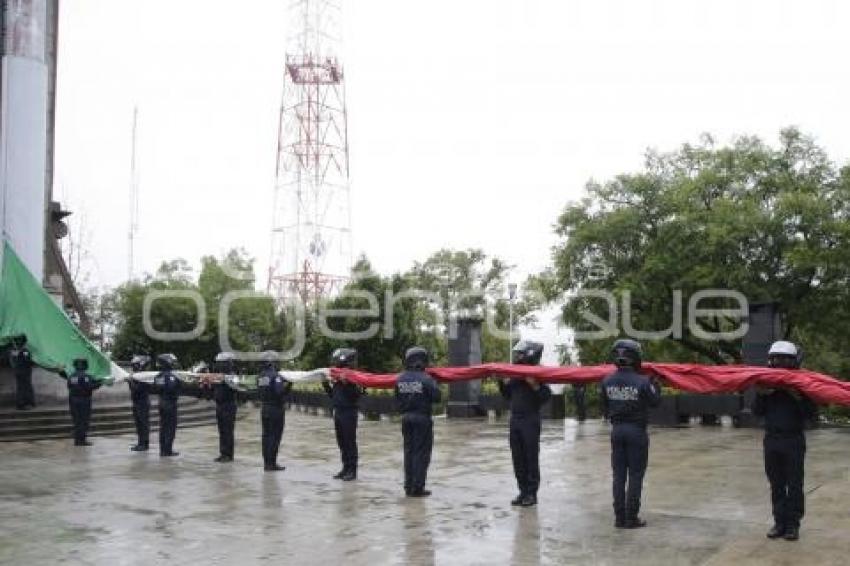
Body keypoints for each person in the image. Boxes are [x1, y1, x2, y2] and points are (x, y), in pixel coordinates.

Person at [753, 340, 817, 542]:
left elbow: (811, 414)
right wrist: (762, 395)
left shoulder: (802, 385)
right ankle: (779, 522)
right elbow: (756, 411)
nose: (779, 362)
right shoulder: (767, 385)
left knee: (795, 485)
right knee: (776, 484)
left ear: (792, 361)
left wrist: (797, 396)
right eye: (776, 358)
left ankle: (793, 525)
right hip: (772, 439)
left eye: (784, 359)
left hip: (793, 440)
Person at [600, 339, 662, 528]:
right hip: (636, 432)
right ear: (635, 357)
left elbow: (604, 408)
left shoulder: (606, 381)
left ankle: (619, 517)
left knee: (619, 476)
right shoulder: (643, 381)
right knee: (635, 475)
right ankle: (631, 517)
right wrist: (655, 385)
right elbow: (655, 402)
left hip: (616, 432)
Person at [499, 340, 552, 507]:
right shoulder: (515, 374)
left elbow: (546, 396)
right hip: (515, 420)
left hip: (530, 420)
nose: (518, 356)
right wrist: (501, 381)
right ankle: (522, 491)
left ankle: (532, 494)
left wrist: (535, 385)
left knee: (530, 457)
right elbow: (508, 395)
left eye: (521, 354)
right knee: (518, 458)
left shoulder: (538, 373)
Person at [395, 346, 441, 497]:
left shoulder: (400, 379)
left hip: (406, 418)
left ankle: (408, 486)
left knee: (408, 452)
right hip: (422, 418)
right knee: (421, 453)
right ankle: (418, 487)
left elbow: (397, 400)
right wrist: (436, 382)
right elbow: (437, 397)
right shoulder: (426, 379)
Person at [322, 348, 365, 481]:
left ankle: (352, 471)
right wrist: (325, 384)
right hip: (339, 412)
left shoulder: (353, 377)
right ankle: (345, 468)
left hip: (349, 412)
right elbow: (333, 396)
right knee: (341, 442)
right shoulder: (337, 378)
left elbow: (357, 395)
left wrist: (347, 383)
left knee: (349, 442)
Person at [258, 351, 291, 471]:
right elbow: (279, 393)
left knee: (266, 436)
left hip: (265, 408)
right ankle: (272, 463)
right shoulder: (275, 376)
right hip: (275, 409)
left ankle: (267, 463)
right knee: (275, 436)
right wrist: (289, 385)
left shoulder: (261, 376)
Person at [64, 358, 102, 446]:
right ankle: (81, 440)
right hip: (84, 400)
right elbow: (89, 387)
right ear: (85, 366)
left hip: (73, 400)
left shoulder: (71, 376)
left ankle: (77, 440)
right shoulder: (85, 376)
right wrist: (100, 383)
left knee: (76, 420)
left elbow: (69, 386)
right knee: (83, 420)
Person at [152, 353, 181, 457]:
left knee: (163, 427)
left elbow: (156, 388)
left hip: (162, 402)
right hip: (170, 403)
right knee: (170, 427)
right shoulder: (171, 376)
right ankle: (167, 450)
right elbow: (172, 387)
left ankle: (163, 449)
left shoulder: (158, 376)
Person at [212, 351, 238, 463]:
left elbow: (235, 387)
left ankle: (228, 454)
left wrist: (225, 380)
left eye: (221, 363)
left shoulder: (232, 376)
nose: (219, 365)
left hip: (228, 405)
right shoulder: (219, 376)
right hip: (220, 405)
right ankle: (223, 452)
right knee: (222, 430)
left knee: (227, 430)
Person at [128, 355, 151, 451]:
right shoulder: (138, 376)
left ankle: (143, 444)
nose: (133, 367)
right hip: (138, 402)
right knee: (139, 424)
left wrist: (130, 382)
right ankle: (141, 442)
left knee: (142, 424)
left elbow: (137, 389)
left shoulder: (143, 376)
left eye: (135, 365)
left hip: (142, 403)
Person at [9, 335, 36, 410]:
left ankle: (26, 402)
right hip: (23, 371)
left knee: (23, 387)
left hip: (22, 371)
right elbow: (26, 361)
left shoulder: (21, 351)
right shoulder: (22, 351)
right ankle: (24, 403)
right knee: (24, 387)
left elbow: (14, 361)